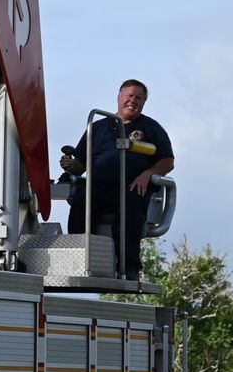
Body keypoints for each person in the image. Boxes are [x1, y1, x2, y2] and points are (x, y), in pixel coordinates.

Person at [61, 78, 174, 280]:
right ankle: (78, 260)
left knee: (129, 209)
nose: (133, 100)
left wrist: (148, 174)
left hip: (132, 187)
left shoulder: (151, 128)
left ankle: (129, 268)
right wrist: (70, 165)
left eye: (138, 98)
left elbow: (167, 161)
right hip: (99, 186)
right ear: (119, 97)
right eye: (129, 95)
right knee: (81, 203)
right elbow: (80, 166)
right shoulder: (97, 128)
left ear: (144, 103)